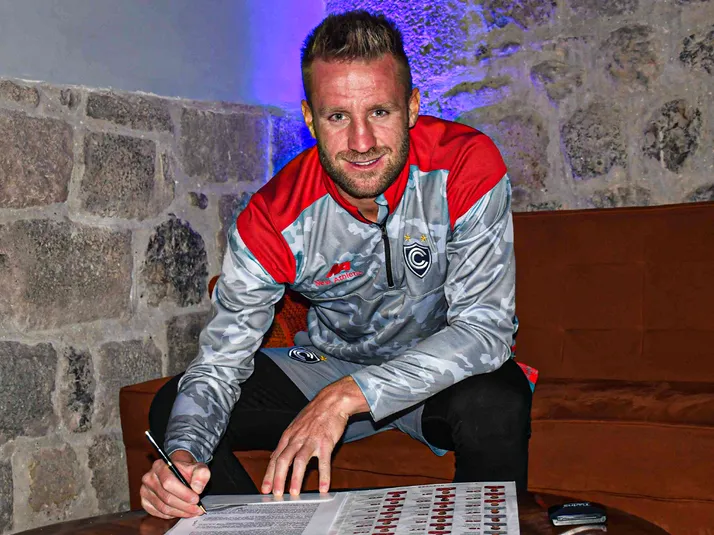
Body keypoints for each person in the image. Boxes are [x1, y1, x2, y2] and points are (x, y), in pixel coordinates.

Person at [140, 10, 532, 520]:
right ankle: (265, 531)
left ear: (412, 107)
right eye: (338, 117)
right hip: (328, 364)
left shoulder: (465, 164)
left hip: (438, 379)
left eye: (380, 112)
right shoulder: (273, 217)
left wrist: (348, 397)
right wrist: (183, 458)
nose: (362, 142)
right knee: (174, 409)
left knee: (499, 398)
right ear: (310, 118)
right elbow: (219, 365)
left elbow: (485, 331)